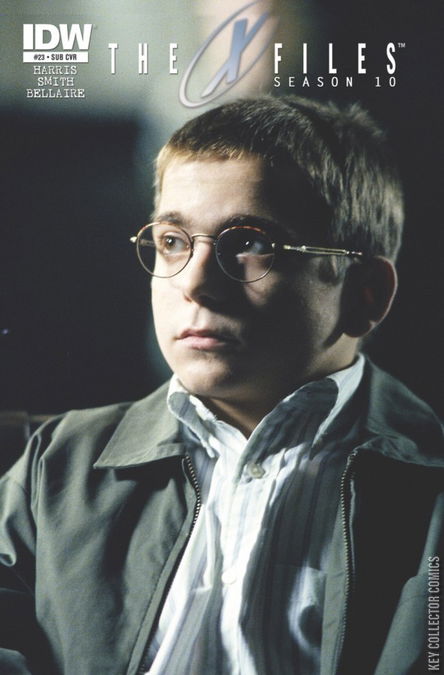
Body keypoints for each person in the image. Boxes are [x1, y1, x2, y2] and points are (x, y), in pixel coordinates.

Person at [0, 95, 442, 675]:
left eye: (250, 243)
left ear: (366, 294)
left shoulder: (429, 491)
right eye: (173, 241)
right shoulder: (55, 467)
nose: (196, 282)